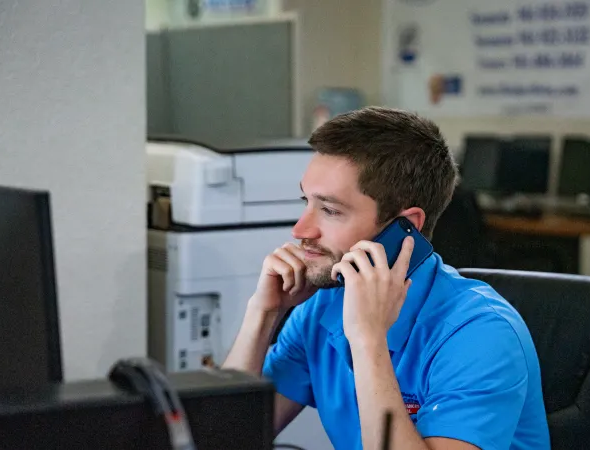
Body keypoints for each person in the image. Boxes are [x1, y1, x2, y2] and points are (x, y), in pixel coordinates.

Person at [222, 107, 550, 450]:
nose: (300, 230)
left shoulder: (481, 333)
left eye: (330, 210)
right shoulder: (323, 308)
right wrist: (262, 315)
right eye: (307, 201)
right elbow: (225, 441)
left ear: (405, 226)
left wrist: (368, 339)